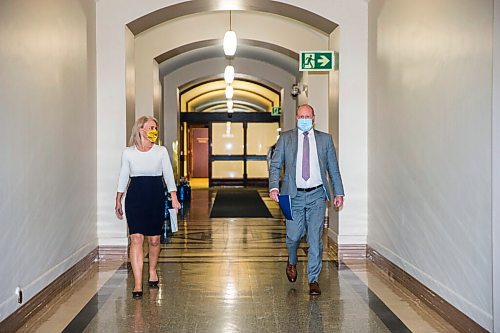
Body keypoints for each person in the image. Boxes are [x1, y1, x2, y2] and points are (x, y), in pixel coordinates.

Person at [269, 104, 344, 295]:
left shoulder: (325, 140)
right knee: (293, 236)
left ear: (314, 118)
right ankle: (292, 260)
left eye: (307, 116)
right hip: (290, 195)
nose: (304, 119)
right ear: (296, 118)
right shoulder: (286, 138)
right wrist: (274, 187)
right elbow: (276, 164)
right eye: (301, 116)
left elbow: (333, 168)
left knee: (314, 238)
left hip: (317, 194)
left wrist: (338, 192)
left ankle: (313, 279)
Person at [115, 116, 181, 299]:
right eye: (151, 127)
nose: (154, 130)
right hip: (135, 196)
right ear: (140, 129)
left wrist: (174, 197)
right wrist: (118, 199)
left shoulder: (161, 151)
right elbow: (123, 176)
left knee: (154, 240)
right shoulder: (128, 152)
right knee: (136, 238)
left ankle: (152, 270)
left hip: (155, 195)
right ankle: (137, 283)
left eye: (156, 127)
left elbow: (168, 174)